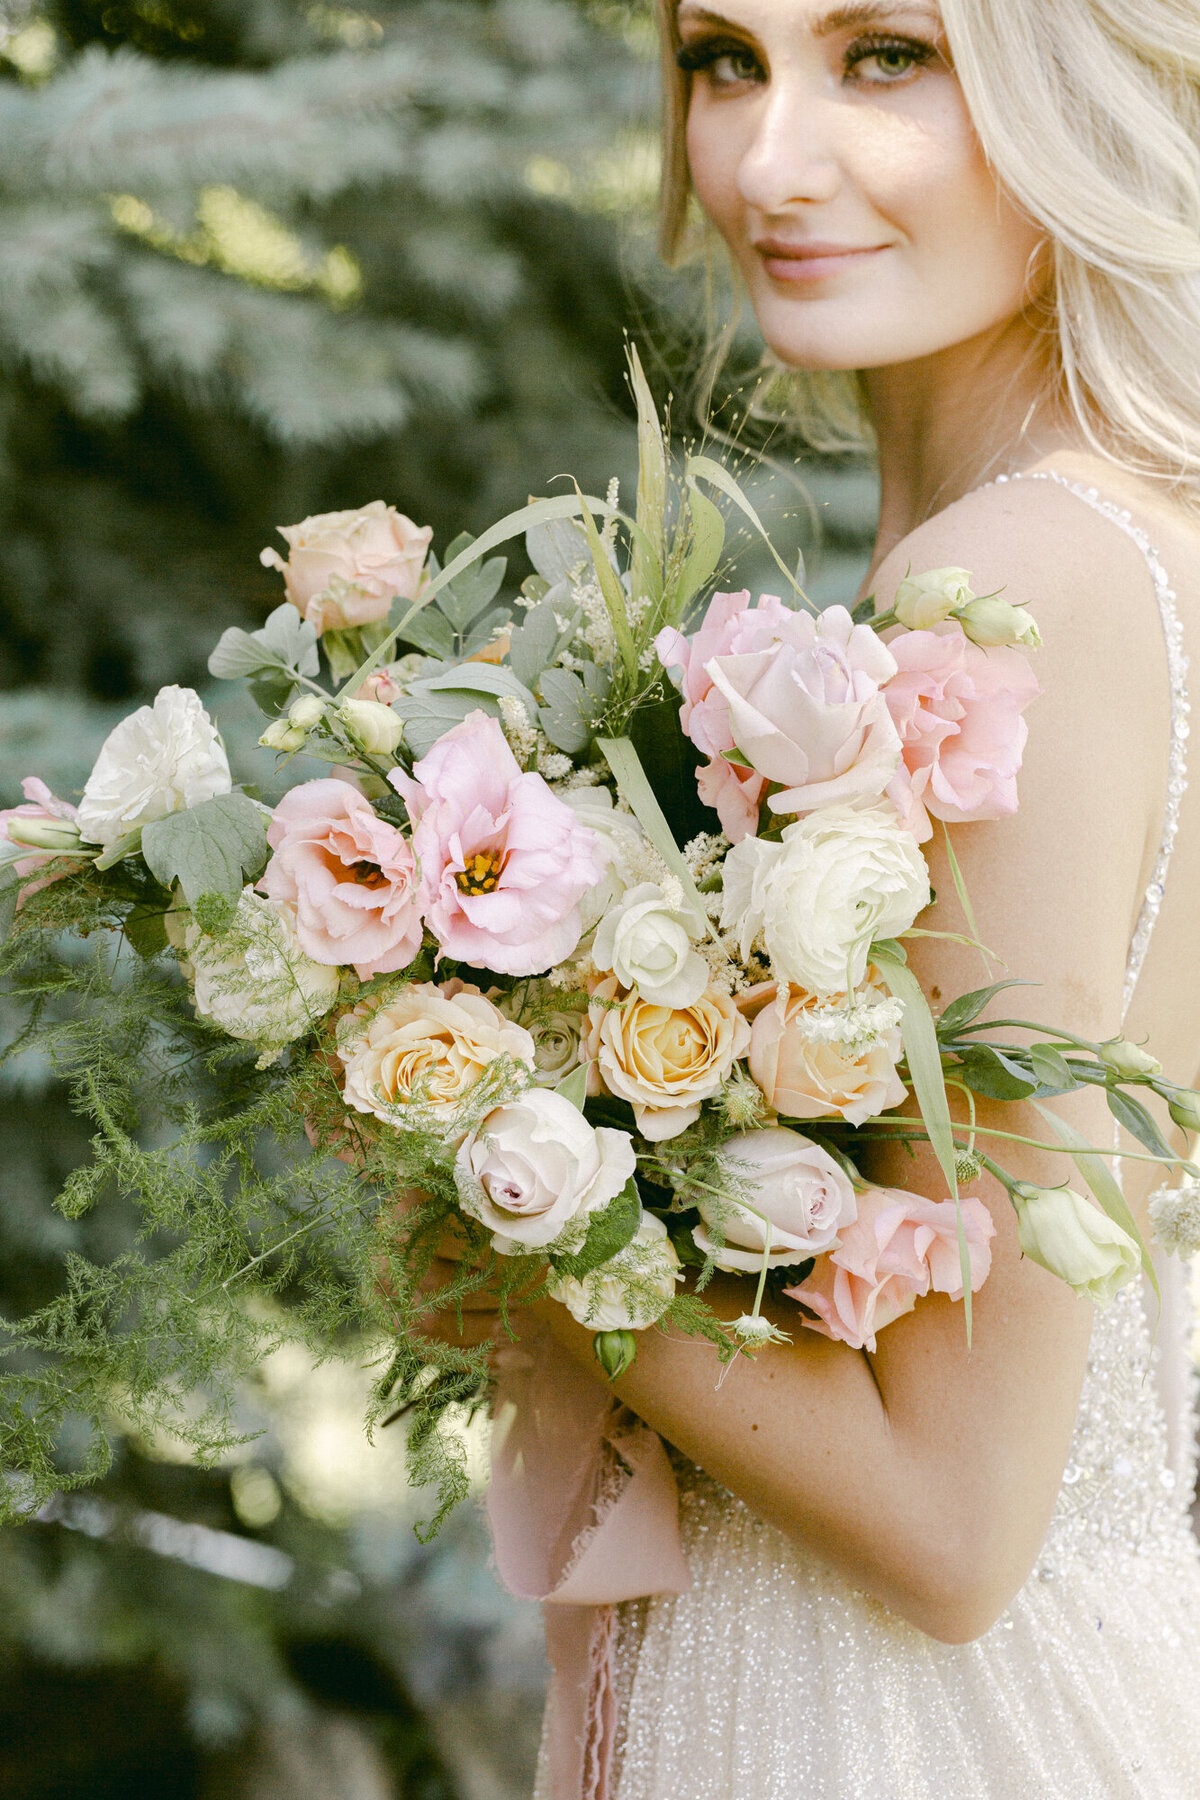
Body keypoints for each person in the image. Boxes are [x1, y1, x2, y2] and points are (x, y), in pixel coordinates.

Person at [424, 2, 1200, 1793]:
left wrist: (498, 1181)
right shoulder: (1116, 540)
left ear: (1065, 89)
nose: (770, 163)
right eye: (721, 60)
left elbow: (951, 1525)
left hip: (885, 1726)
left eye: (884, 56)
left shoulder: (1006, 589)